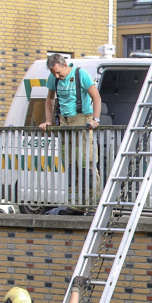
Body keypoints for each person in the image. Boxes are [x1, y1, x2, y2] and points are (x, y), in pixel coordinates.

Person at [39, 54, 103, 198]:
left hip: (82, 119)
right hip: (64, 121)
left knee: (87, 162)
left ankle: (94, 202)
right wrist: (48, 120)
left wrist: (95, 119)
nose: (56, 76)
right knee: (69, 163)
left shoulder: (81, 74)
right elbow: (49, 99)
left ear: (65, 65)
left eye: (58, 72)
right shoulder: (53, 78)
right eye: (53, 73)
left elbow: (96, 97)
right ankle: (74, 202)